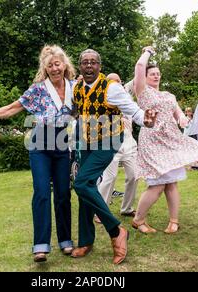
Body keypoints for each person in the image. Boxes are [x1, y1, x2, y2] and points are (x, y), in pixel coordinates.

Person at [0, 45, 75, 263]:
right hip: (40, 145)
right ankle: (41, 245)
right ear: (45, 68)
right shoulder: (38, 89)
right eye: (49, 65)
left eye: (57, 64)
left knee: (63, 193)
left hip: (62, 144)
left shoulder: (74, 87)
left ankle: (65, 240)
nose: (54, 69)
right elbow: (14, 107)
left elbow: (83, 108)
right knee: (42, 192)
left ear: (64, 65)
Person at [70, 48, 156, 265]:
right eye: (84, 62)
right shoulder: (77, 88)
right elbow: (76, 111)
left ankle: (116, 230)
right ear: (80, 66)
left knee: (81, 183)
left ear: (99, 66)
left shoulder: (112, 88)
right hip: (86, 143)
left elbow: (133, 109)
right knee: (86, 188)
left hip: (109, 141)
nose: (89, 66)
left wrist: (144, 120)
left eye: (93, 62)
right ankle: (86, 241)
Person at [132, 47, 198, 235]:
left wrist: (183, 119)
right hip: (152, 140)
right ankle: (138, 219)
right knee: (157, 184)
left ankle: (174, 222)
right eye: (152, 73)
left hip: (171, 140)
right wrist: (147, 52)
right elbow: (139, 65)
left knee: (172, 183)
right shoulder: (142, 91)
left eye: (158, 74)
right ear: (144, 77)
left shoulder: (169, 95)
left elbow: (178, 114)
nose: (156, 76)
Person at [96, 73, 138, 224]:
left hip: (129, 142)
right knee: (109, 177)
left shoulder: (125, 94)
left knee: (134, 175)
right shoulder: (102, 99)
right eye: (112, 82)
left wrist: (144, 58)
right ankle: (101, 211)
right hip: (110, 142)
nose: (116, 84)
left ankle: (126, 208)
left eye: (118, 81)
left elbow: (137, 78)